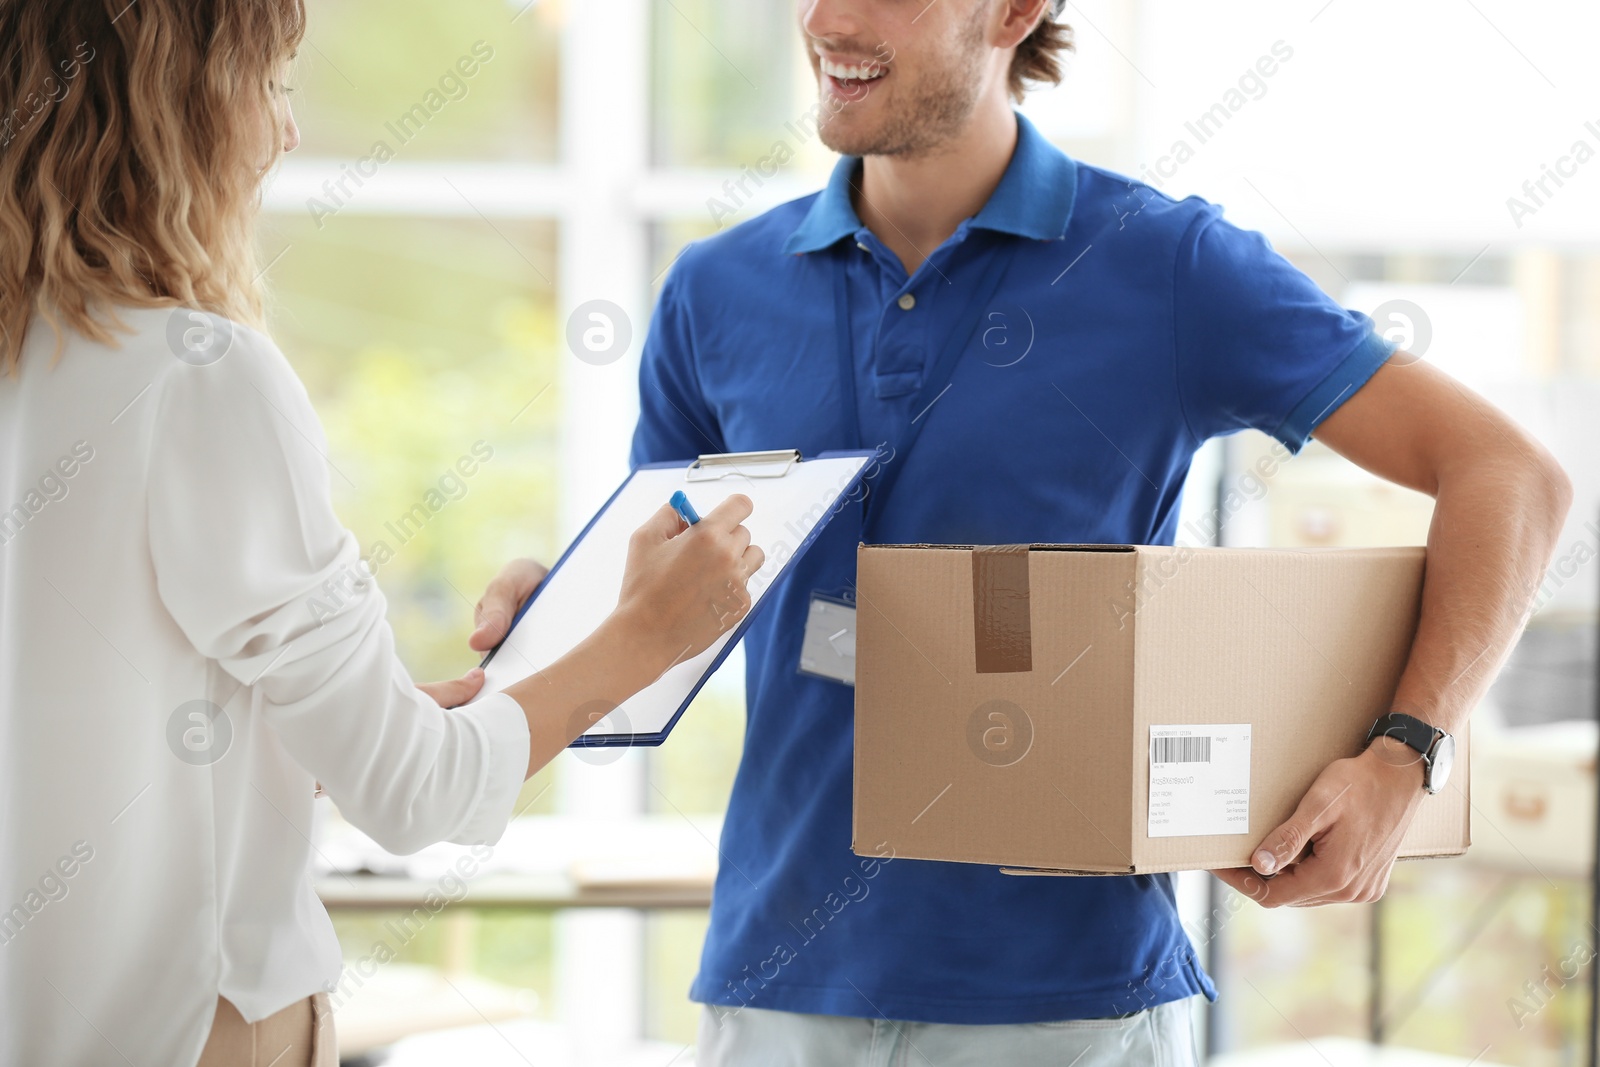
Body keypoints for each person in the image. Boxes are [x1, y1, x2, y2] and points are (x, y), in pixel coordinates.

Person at [471, 0, 1572, 1063]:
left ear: (1013, 12)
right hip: (773, 990)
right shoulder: (716, 292)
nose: (824, 21)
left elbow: (1510, 477)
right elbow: (664, 608)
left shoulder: (1168, 266)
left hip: (1069, 1009)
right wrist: (556, 619)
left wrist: (1404, 754)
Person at [0, 2, 765, 1065]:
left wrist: (301, 735)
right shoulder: (197, 374)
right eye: (270, 86)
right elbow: (418, 793)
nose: (287, 131)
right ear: (178, 111)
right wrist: (647, 634)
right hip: (198, 1029)